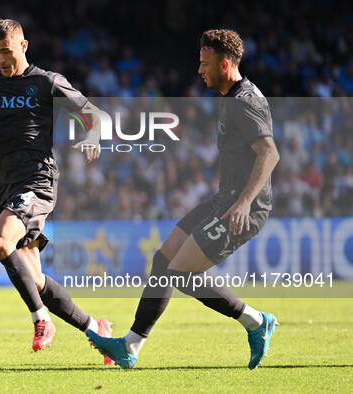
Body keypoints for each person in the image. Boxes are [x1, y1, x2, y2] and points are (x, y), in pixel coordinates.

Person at [87, 29, 281, 369]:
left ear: (224, 64)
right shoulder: (233, 97)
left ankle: (255, 321)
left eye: (205, 64)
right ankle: (130, 346)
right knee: (163, 262)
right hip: (224, 200)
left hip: (242, 207)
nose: (199, 70)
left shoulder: (244, 102)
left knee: (177, 273)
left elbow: (269, 153)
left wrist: (244, 202)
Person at [0, 19, 113, 363]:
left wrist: (91, 134)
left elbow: (95, 114)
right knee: (35, 277)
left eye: (6, 51)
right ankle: (97, 330)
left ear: (23, 46)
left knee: (0, 240)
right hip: (7, 184)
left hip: (38, 180)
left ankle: (40, 319)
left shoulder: (46, 82)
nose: (0, 58)